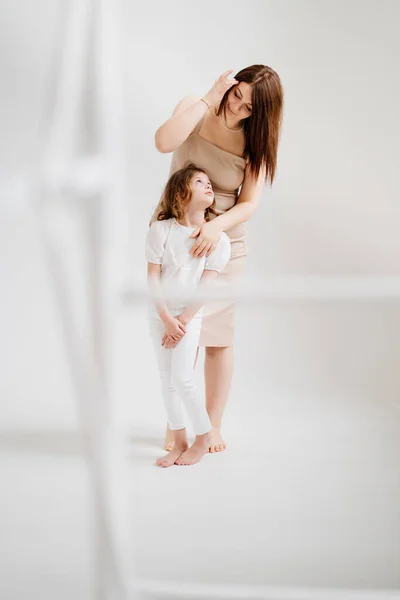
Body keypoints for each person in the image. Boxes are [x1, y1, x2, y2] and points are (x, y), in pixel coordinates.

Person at [153, 65, 284, 453]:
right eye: (236, 96)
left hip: (225, 244)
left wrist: (215, 229)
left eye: (248, 109)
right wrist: (208, 99)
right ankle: (177, 423)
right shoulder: (196, 107)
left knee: (216, 338)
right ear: (229, 86)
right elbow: (163, 142)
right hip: (177, 237)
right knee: (179, 334)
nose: (237, 109)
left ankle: (211, 426)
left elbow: (248, 205)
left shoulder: (256, 143)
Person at [146, 163, 231, 467]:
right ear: (181, 192)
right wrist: (167, 319)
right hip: (160, 314)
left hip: (189, 316)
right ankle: (179, 440)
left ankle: (204, 436)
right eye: (200, 181)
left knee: (183, 378)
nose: (209, 186)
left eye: (209, 182)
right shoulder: (161, 230)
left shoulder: (218, 240)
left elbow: (205, 286)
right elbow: (153, 279)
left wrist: (181, 321)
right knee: (166, 379)